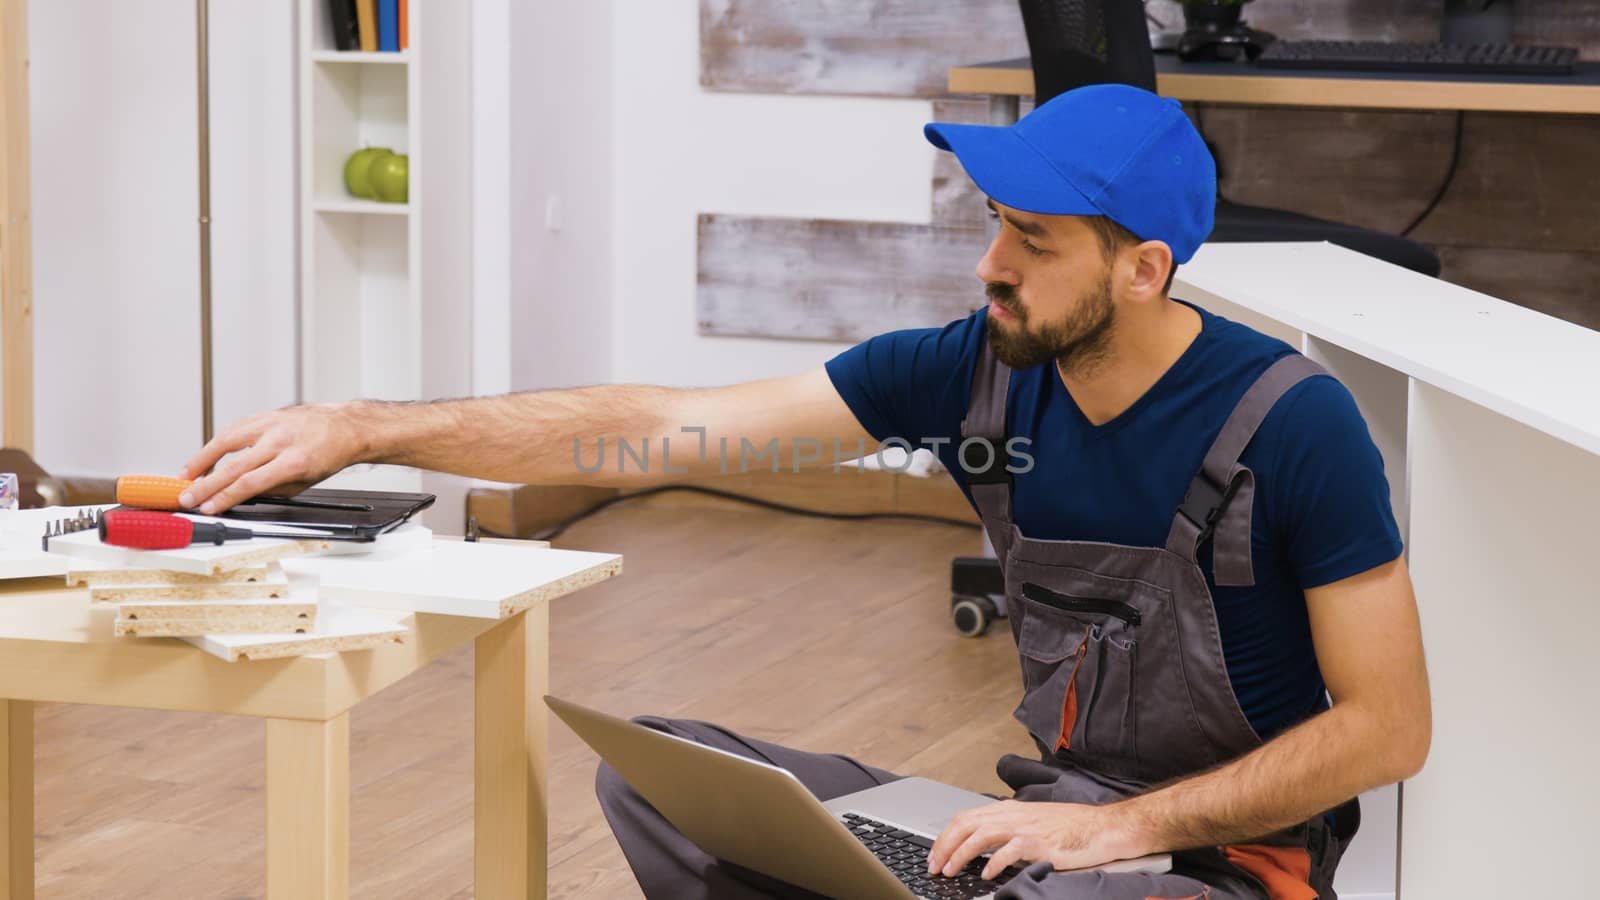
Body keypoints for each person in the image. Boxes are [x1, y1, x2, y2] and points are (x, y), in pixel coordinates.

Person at [177, 84, 1430, 899]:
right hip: (1033, 835)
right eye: (993, 223)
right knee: (660, 773)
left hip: (1200, 873)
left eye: (1033, 242)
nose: (990, 266)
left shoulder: (1292, 426)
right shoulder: (969, 369)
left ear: (1144, 268)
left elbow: (1388, 729)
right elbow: (658, 431)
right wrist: (364, 430)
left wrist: (1119, 832)